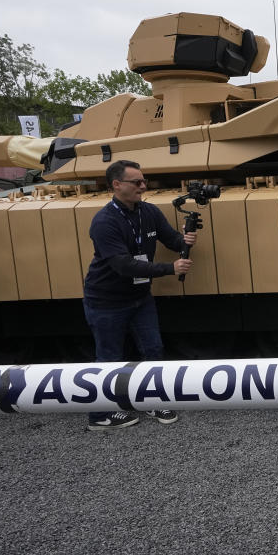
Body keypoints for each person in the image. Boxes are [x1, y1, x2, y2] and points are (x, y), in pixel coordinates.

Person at [83, 160, 196, 430]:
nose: (143, 186)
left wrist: (186, 238)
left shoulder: (149, 211)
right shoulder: (104, 221)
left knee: (153, 350)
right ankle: (99, 416)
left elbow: (171, 241)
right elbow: (122, 265)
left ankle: (155, 399)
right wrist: (171, 268)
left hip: (140, 297)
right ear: (117, 185)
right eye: (137, 182)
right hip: (106, 300)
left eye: (144, 181)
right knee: (109, 357)